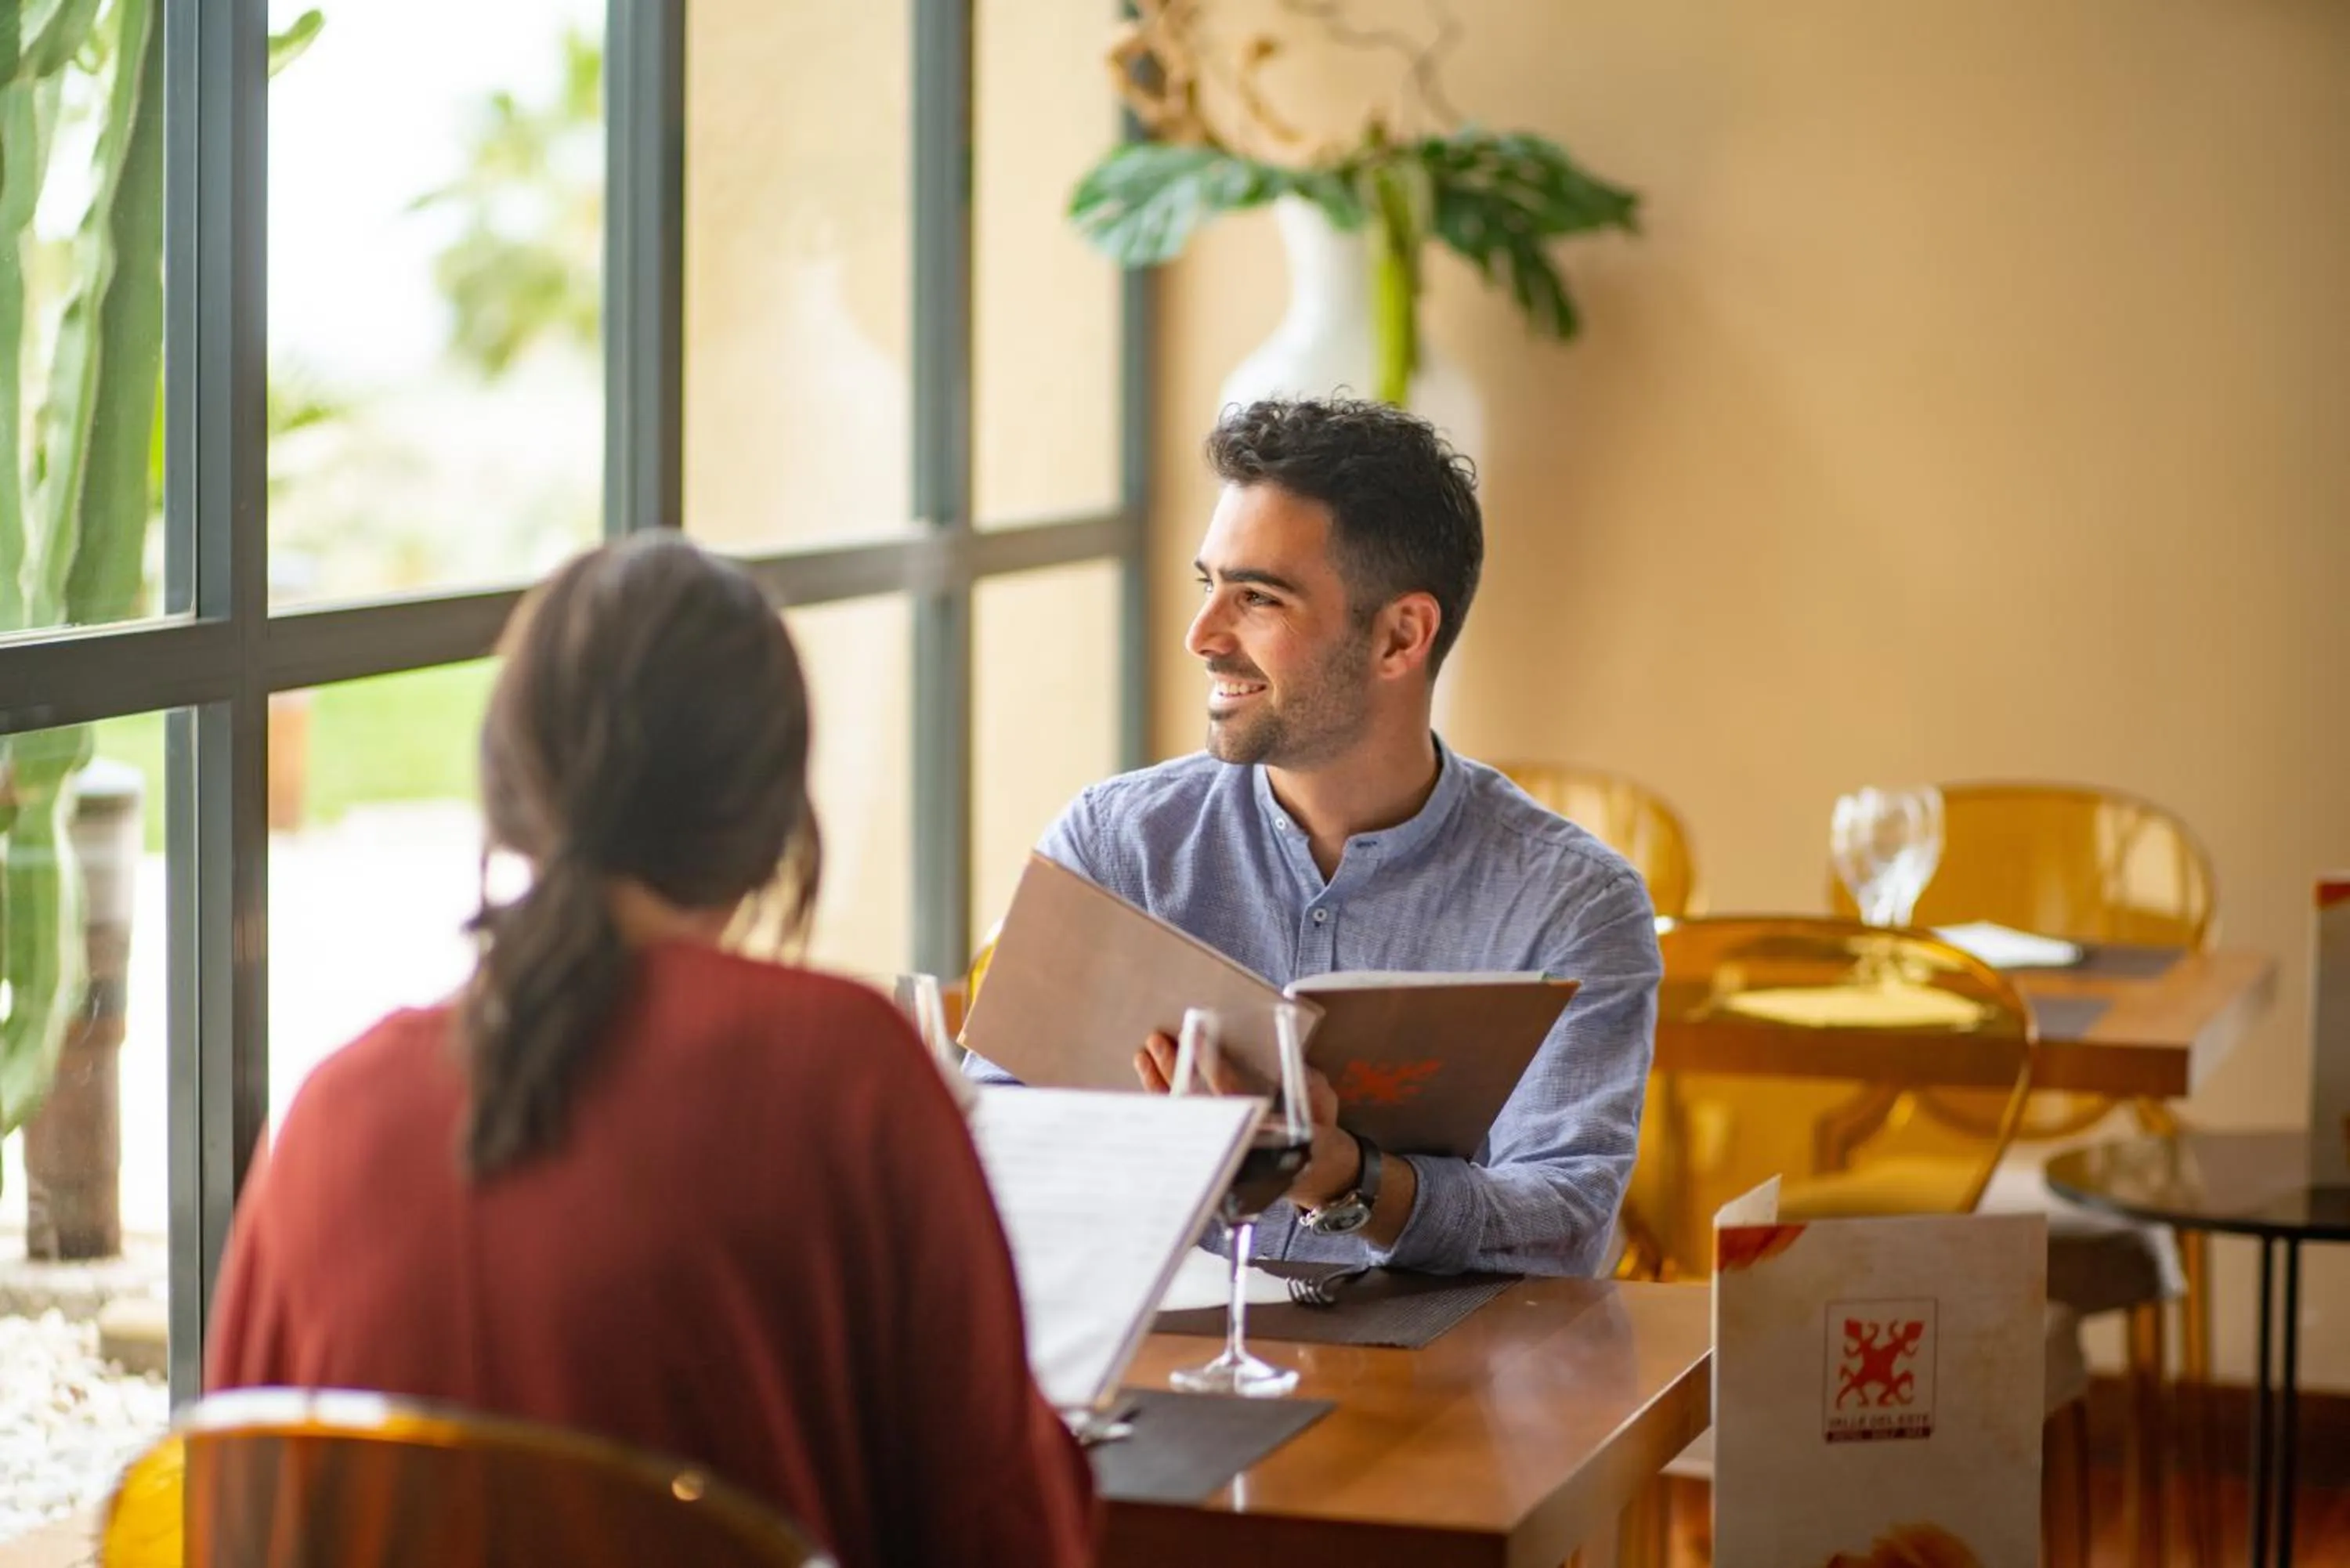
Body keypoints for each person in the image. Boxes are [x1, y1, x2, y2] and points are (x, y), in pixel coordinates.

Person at [207, 534, 1097, 1568]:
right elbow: (1007, 1533)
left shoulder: (334, 1106)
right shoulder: (845, 1072)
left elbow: (233, 1517)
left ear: (508, 782)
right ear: (771, 819)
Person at [968, 397, 1660, 1278]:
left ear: (1400, 636)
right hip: (1154, 1382)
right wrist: (1143, 1151)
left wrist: (1349, 1179)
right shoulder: (1114, 849)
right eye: (1207, 584)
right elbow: (988, 1154)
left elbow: (1563, 1221)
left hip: (1441, 1395)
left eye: (1257, 598)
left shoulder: (1570, 904)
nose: (1202, 636)